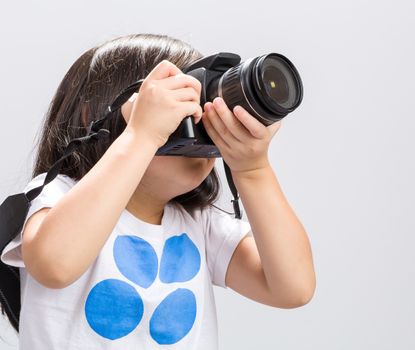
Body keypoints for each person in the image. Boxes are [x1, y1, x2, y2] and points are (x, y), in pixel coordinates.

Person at [0, 33, 316, 349]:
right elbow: (55, 264)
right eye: (178, 105)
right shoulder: (60, 197)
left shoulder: (199, 224)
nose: (199, 120)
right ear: (93, 117)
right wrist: (141, 135)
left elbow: (293, 287)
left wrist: (253, 170)